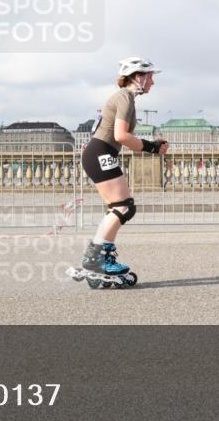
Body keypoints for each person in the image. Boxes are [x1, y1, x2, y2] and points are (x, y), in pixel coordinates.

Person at [70, 57, 168, 289]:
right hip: (101, 152)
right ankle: (96, 257)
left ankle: (101, 255)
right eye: (150, 76)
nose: (153, 81)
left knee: (118, 208)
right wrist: (153, 147)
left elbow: (105, 130)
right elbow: (121, 136)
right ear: (138, 77)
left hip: (100, 152)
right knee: (124, 207)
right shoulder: (124, 97)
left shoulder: (123, 98)